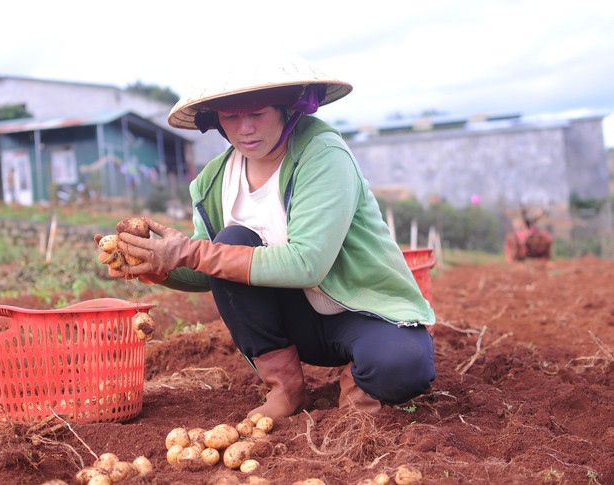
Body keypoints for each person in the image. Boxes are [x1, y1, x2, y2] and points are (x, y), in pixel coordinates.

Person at [96, 53, 436, 420]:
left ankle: (358, 392)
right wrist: (155, 264)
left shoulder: (322, 154)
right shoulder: (213, 182)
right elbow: (209, 270)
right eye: (231, 117)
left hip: (364, 311)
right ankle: (285, 389)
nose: (244, 129)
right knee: (230, 240)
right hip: (294, 319)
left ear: (288, 109)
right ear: (218, 122)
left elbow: (308, 264)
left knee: (403, 366)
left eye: (257, 114)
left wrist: (191, 252)